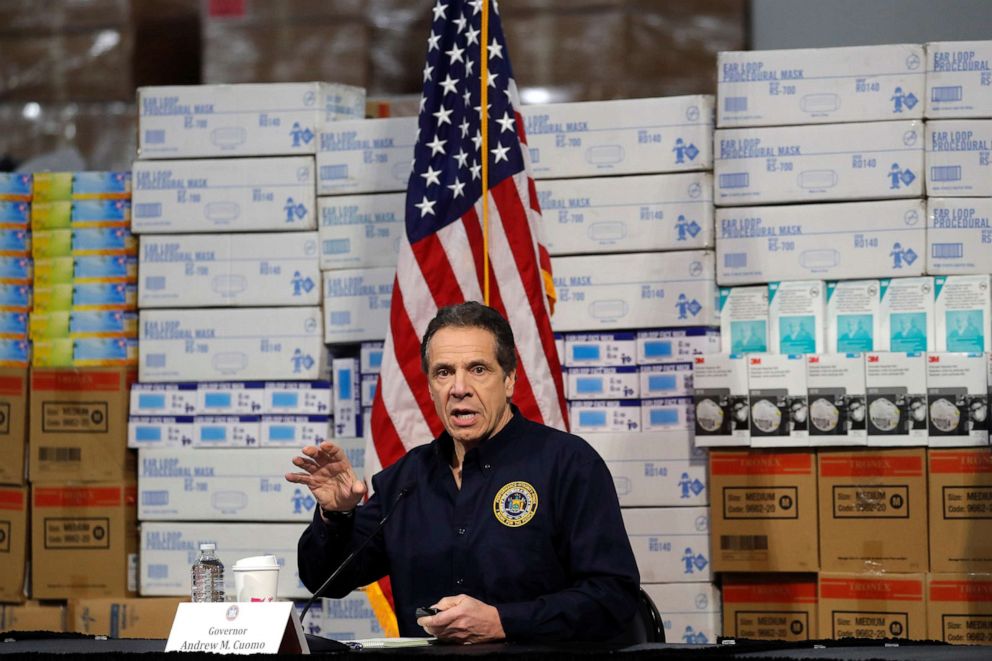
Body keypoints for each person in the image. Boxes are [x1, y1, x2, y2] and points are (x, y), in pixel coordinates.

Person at [287, 302, 640, 643]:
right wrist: (336, 515)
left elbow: (613, 597)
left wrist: (503, 622)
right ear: (429, 388)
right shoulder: (407, 479)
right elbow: (325, 580)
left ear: (509, 381)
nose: (459, 388)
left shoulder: (568, 464)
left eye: (478, 369)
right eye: (444, 372)